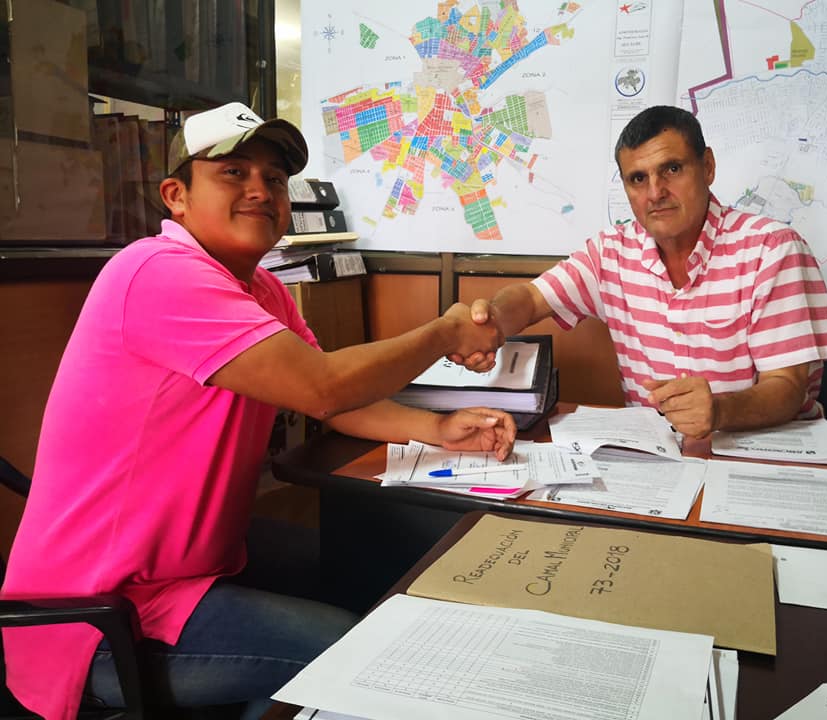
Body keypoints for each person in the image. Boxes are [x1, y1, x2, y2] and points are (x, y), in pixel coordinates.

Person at [0, 102, 515, 720]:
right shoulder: (158, 272)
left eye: (274, 178)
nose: (260, 190)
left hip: (195, 570)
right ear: (177, 196)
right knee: (361, 656)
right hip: (100, 618)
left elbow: (333, 399)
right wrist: (445, 333)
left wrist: (436, 428)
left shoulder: (261, 288)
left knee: (374, 576)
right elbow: (322, 388)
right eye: (233, 172)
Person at [457, 105, 827, 438]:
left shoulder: (771, 249)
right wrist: (493, 320)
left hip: (765, 457)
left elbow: (787, 387)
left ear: (707, 167)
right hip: (658, 461)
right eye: (638, 178)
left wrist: (721, 411)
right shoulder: (610, 253)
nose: (655, 192)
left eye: (672, 169)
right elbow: (530, 298)